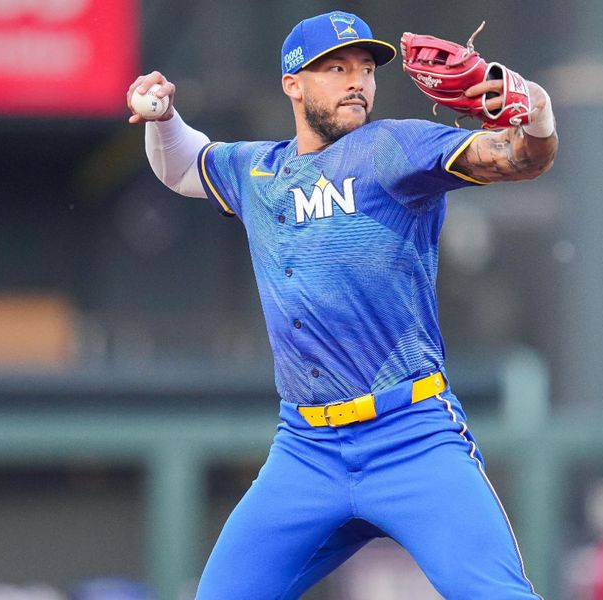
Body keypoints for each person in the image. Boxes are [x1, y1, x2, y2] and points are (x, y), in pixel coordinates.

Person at [127, 10, 557, 600]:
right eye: (334, 68)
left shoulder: (394, 149)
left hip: (411, 434)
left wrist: (535, 110)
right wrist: (164, 117)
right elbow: (182, 166)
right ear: (293, 84)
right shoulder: (258, 170)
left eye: (365, 68)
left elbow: (522, 157)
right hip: (306, 451)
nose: (357, 80)